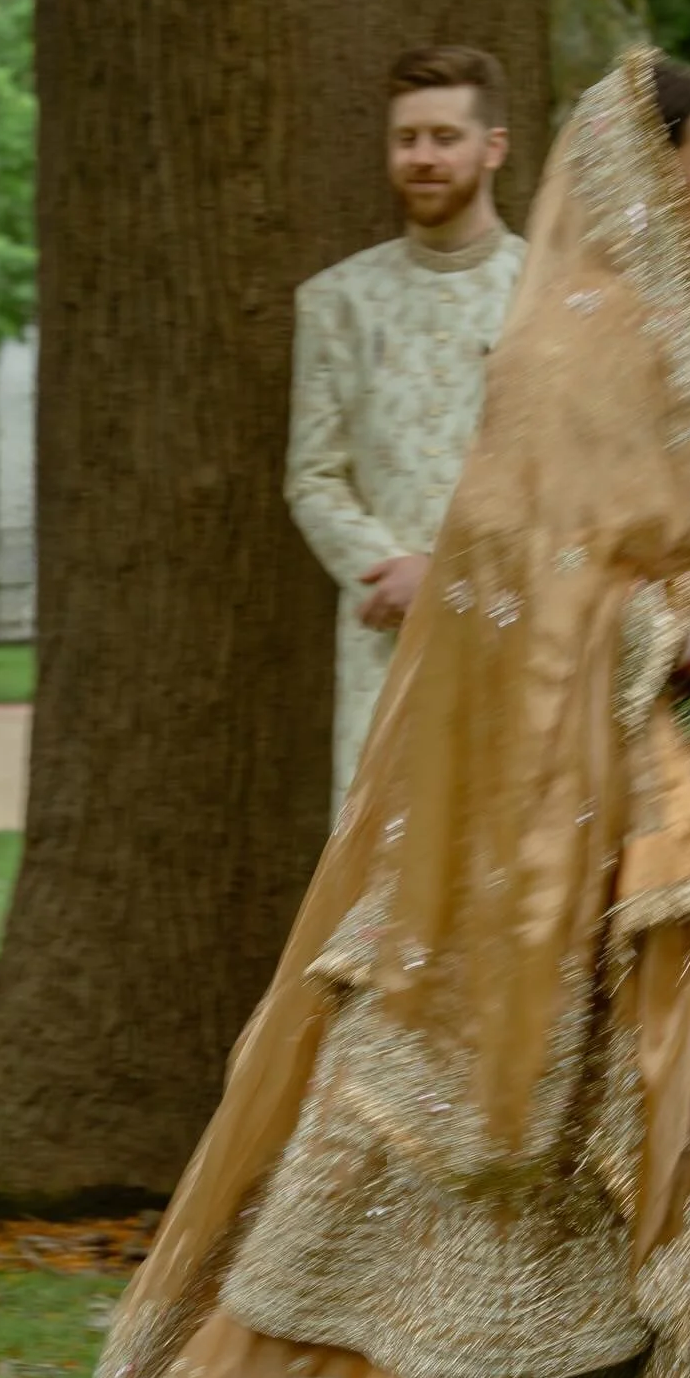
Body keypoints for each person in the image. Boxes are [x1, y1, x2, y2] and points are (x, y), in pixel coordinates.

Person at [65, 47, 690, 1378]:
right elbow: (506, 570)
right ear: (648, 180)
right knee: (613, 1101)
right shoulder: (575, 348)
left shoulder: (671, 333)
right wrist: (681, 636)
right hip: (633, 798)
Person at [286, 45, 526, 816]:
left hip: (518, 631)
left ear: (493, 147)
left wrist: (449, 573)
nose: (423, 157)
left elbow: (572, 478)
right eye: (407, 138)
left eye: (445, 138)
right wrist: (390, 569)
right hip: (383, 644)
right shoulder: (337, 302)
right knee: (381, 855)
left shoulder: (548, 296)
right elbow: (313, 475)